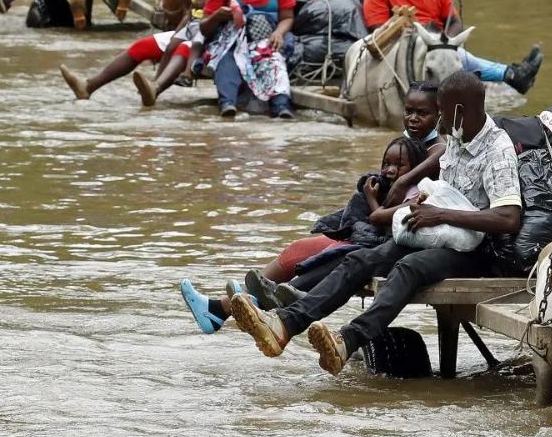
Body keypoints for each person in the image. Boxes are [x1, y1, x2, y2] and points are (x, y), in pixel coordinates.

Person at [229, 71, 523, 374]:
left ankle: (348, 341)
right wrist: (424, 204)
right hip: (439, 233)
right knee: (361, 259)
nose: (440, 123)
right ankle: (285, 324)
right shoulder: (458, 140)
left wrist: (440, 214)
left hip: (475, 250)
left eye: (443, 113)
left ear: (459, 111)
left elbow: (508, 218)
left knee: (409, 268)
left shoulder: (497, 150)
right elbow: (446, 194)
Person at [179, 124, 436, 334]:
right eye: (409, 111)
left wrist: (384, 193)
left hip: (377, 247)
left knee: (328, 258)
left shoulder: (433, 164)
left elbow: (381, 219)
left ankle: (244, 303)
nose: (413, 118)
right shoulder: (392, 171)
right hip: (363, 237)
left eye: (423, 112)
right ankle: (236, 302)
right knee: (299, 248)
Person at [362, 0, 544, 94]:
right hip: (403, 45)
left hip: (439, 41)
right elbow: (377, 28)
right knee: (459, 58)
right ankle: (512, 75)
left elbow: (455, 21)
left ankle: (512, 74)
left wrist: (447, 42)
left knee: (453, 55)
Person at [56, 0, 216, 107]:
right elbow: (190, 9)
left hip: (211, 34)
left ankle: (156, 88)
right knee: (142, 46)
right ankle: (88, 86)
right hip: (191, 27)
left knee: (182, 48)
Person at [199, 0, 296, 118]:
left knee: (273, 60)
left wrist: (278, 32)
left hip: (267, 40)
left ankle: (281, 106)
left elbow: (287, 17)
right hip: (233, 42)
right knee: (227, 61)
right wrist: (217, 16)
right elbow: (204, 27)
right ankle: (227, 104)